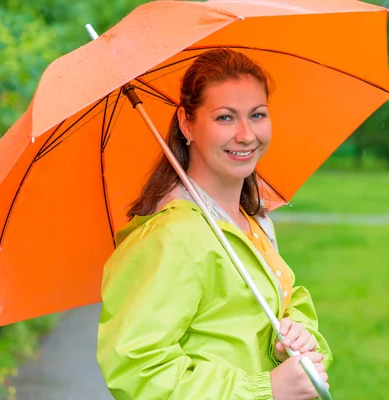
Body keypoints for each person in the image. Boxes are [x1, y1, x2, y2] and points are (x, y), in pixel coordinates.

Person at [97, 48, 332, 400]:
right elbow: (139, 369)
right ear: (186, 123)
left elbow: (282, 300)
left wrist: (297, 334)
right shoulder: (172, 237)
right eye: (225, 118)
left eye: (257, 115)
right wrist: (264, 390)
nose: (245, 134)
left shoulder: (253, 221)